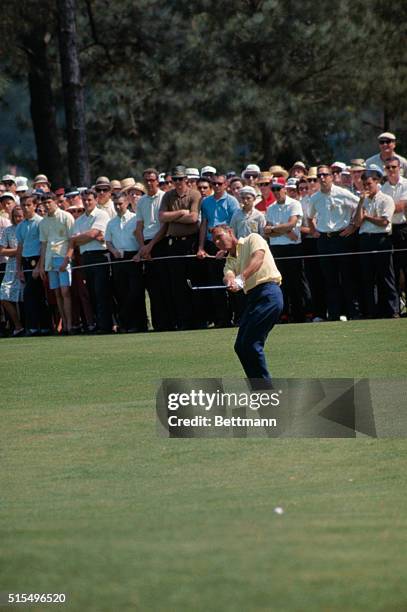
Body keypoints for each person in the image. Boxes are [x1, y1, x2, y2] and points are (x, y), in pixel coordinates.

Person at [211, 225, 283, 385]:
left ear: (230, 232)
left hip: (268, 293)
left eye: (219, 237)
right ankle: (260, 388)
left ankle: (265, 391)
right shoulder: (229, 260)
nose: (217, 242)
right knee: (241, 346)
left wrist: (241, 278)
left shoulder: (252, 239)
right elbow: (228, 275)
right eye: (214, 240)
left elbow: (258, 258)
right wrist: (230, 281)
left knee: (251, 343)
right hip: (252, 298)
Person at [65, 188, 113, 333]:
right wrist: (85, 237)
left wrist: (83, 236)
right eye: (84, 200)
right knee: (91, 292)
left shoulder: (101, 214)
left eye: (89, 200)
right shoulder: (79, 220)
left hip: (100, 255)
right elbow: (74, 241)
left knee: (101, 291)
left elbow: (93, 234)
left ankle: (106, 325)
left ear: (96, 200)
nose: (87, 203)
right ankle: (99, 324)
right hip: (86, 257)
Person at [354, 167, 399, 318]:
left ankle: (393, 311)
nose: (366, 187)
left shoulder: (386, 199)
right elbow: (357, 223)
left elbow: (384, 221)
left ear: (377, 182)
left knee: (386, 276)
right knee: (368, 278)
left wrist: (368, 217)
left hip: (381, 239)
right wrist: (361, 203)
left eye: (369, 184)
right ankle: (372, 312)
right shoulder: (363, 200)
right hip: (365, 240)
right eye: (364, 184)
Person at [106, 192, 148, 332]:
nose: (118, 207)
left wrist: (139, 254)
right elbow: (108, 242)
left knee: (135, 292)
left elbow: (140, 239)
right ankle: (127, 325)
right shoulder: (111, 223)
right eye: (116, 204)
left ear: (127, 203)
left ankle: (140, 324)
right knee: (122, 292)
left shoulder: (135, 219)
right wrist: (113, 251)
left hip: (133, 258)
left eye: (120, 204)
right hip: (118, 259)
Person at [38, 193, 75, 334]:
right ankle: (64, 325)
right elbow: (43, 244)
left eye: (49, 202)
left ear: (55, 202)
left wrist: (67, 258)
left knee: (65, 291)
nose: (47, 205)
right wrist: (41, 265)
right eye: (44, 203)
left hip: (63, 257)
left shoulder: (66, 216)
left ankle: (70, 325)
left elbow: (72, 240)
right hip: (49, 258)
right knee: (57, 293)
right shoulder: (43, 222)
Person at [0, 205, 25, 336]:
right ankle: (18, 326)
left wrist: (18, 252)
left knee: (25, 297)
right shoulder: (8, 230)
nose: (18, 218)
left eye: (20, 216)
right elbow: (2, 250)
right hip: (11, 266)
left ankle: (30, 326)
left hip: (26, 264)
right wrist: (17, 251)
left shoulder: (28, 227)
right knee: (3, 295)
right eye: (15, 216)